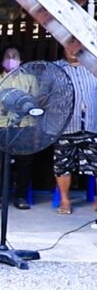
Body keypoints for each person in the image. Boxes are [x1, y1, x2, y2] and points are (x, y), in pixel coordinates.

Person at [0, 46, 34, 210]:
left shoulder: (30, 80)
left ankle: (21, 196)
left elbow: (36, 103)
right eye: (7, 56)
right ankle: (0, 196)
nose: (11, 59)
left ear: (21, 60)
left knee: (25, 161)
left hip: (24, 126)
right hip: (0, 126)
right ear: (2, 60)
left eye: (14, 56)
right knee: (0, 162)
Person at [53, 47, 97, 214]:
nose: (72, 50)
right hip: (66, 125)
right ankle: (65, 201)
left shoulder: (93, 66)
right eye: (68, 46)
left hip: (92, 124)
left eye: (76, 45)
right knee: (62, 165)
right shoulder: (56, 68)